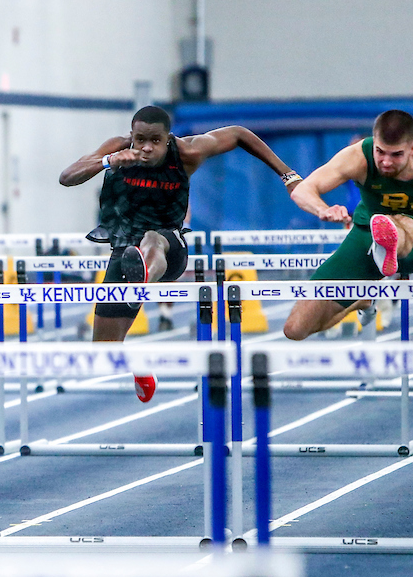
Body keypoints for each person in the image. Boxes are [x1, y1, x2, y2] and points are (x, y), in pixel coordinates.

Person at [59, 105, 301, 401]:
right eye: (140, 140)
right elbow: (67, 177)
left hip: (169, 246)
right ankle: (140, 364)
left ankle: (142, 277)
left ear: (168, 138)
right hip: (125, 251)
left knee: (152, 240)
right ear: (132, 136)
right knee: (103, 352)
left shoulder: (187, 152)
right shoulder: (117, 148)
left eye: (155, 141)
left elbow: (239, 134)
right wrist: (107, 161)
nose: (146, 148)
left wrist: (288, 175)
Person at [283, 110, 413, 340]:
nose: (385, 161)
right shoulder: (359, 156)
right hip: (367, 237)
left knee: (401, 223)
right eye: (380, 151)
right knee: (295, 329)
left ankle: (392, 239)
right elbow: (303, 190)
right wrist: (322, 209)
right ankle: (361, 300)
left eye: (396, 155)